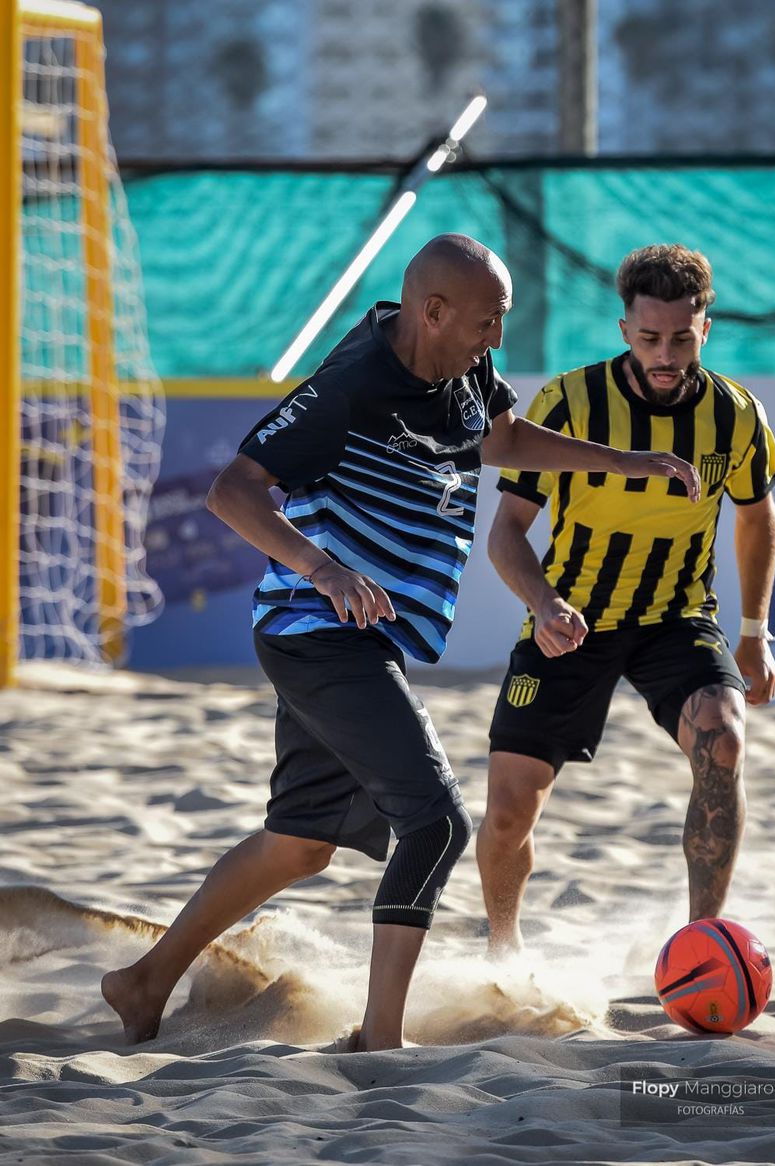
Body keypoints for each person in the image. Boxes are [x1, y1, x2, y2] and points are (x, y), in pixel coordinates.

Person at [101, 234, 699, 1051]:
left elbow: (506, 441)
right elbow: (230, 491)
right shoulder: (352, 387)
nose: (498, 340)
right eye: (487, 322)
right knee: (437, 825)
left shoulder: (463, 373)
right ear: (433, 311)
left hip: (359, 636)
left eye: (503, 322)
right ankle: (379, 1039)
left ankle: (143, 981)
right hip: (316, 631)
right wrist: (323, 568)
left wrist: (623, 463)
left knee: (301, 844)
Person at [477, 243, 775, 956]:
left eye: (681, 336)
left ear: (705, 328)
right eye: (649, 338)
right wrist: (545, 603)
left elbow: (756, 515)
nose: (665, 353)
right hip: (571, 620)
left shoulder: (736, 416)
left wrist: (754, 630)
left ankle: (702, 938)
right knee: (508, 808)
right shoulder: (567, 402)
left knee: (724, 739)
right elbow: (506, 535)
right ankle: (501, 951)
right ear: (623, 331)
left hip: (676, 618)